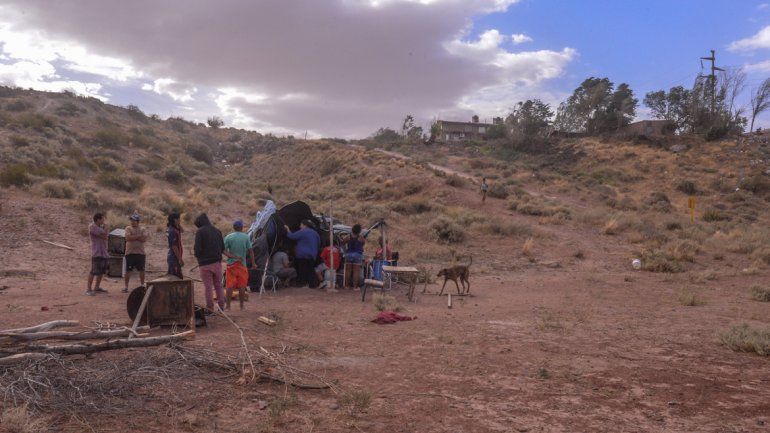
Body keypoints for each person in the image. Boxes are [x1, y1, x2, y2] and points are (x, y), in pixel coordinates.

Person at [193, 213, 225, 313]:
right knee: (219, 286)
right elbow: (222, 248)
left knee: (208, 288)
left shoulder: (200, 232)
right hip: (217, 263)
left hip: (205, 264)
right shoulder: (217, 231)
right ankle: (221, 308)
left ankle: (210, 309)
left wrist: (198, 256)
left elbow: (197, 249)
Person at [223, 219, 255, 310]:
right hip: (242, 265)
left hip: (231, 265)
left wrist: (232, 256)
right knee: (242, 286)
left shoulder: (228, 237)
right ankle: (241, 306)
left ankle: (228, 306)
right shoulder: (246, 237)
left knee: (229, 286)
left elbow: (223, 250)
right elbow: (251, 251)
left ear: (234, 228)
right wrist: (253, 263)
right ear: (241, 227)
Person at [285, 219, 320, 288]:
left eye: (301, 225)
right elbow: (319, 243)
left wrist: (287, 229)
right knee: (310, 270)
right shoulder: (315, 233)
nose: (300, 226)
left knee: (302, 270)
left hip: (303, 254)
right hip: (313, 254)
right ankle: (311, 285)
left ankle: (303, 284)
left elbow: (291, 236)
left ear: (305, 225)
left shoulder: (302, 232)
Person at [123, 213, 148, 293]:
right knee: (128, 270)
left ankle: (142, 285)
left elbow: (144, 239)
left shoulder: (143, 229)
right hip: (130, 252)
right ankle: (126, 287)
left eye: (134, 220)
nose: (132, 222)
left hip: (140, 253)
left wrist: (133, 236)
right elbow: (127, 238)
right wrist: (138, 236)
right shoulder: (128, 228)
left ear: (137, 221)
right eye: (131, 220)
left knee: (142, 269)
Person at [87, 212, 109, 296]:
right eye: (102, 219)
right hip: (96, 252)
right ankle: (88, 289)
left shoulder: (100, 227)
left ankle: (97, 287)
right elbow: (104, 234)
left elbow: (105, 237)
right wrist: (105, 229)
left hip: (103, 252)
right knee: (93, 271)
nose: (104, 220)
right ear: (98, 219)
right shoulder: (92, 226)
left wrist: (104, 231)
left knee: (101, 271)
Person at [345, 224, 365, 288]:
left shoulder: (348, 237)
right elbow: (363, 243)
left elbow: (342, 242)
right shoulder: (361, 238)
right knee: (356, 271)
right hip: (357, 255)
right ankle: (355, 286)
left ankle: (346, 285)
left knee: (348, 270)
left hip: (349, 254)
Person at [166, 213, 184, 278]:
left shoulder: (175, 228)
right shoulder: (172, 231)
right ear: (175, 220)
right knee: (176, 279)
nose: (180, 220)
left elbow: (182, 231)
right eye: (179, 218)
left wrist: (177, 224)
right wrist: (180, 259)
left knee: (175, 278)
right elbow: (174, 246)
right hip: (174, 258)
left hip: (174, 257)